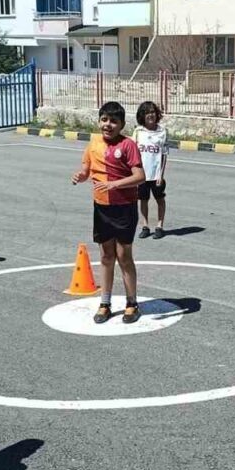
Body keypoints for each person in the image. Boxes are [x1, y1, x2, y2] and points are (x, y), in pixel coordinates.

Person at [71, 101, 146, 324]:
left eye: (113, 121)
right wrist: (80, 177)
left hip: (124, 207)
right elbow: (86, 171)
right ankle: (105, 302)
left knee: (124, 256)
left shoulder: (128, 145)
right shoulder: (93, 144)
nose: (108, 124)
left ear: (122, 124)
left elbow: (140, 176)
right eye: (104, 119)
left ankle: (132, 303)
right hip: (101, 208)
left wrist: (115, 185)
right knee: (106, 256)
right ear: (99, 121)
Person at [134, 101, 169, 240]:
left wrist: (161, 174)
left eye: (153, 112)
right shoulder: (138, 131)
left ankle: (159, 226)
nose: (151, 115)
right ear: (142, 115)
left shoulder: (162, 132)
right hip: (141, 174)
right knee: (143, 200)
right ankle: (145, 226)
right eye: (147, 112)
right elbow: (133, 153)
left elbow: (164, 154)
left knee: (160, 199)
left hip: (156, 175)